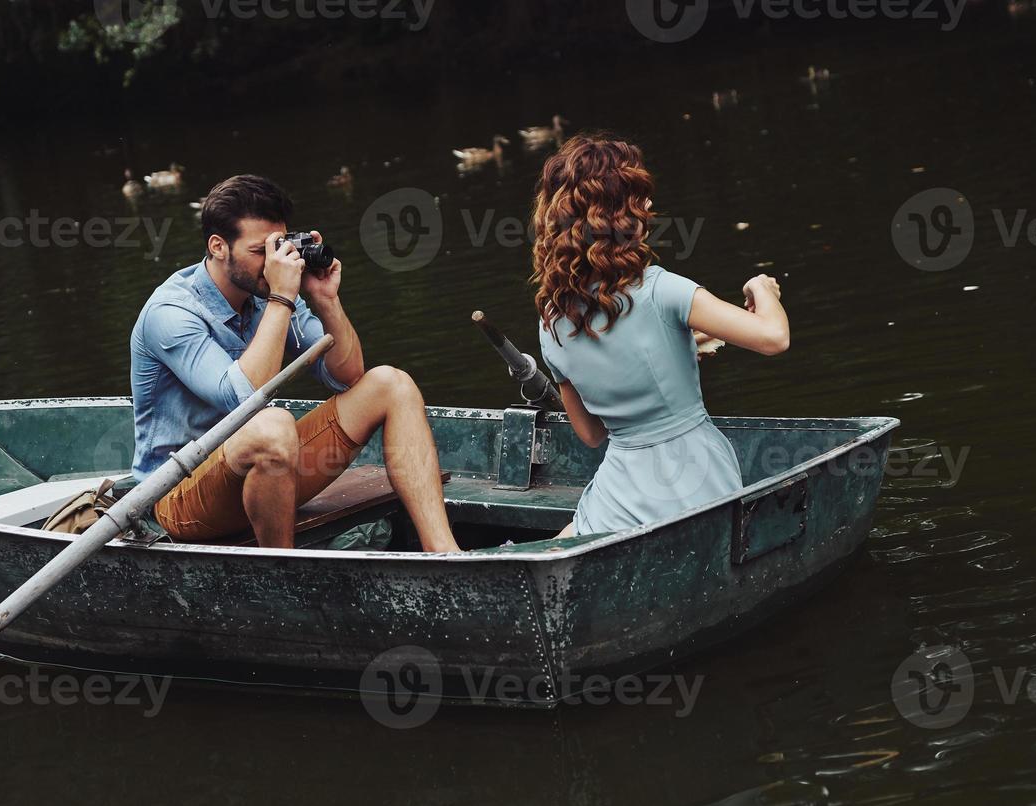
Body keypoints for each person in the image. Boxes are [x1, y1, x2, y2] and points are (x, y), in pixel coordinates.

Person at [130, 174, 460, 551]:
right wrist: (282, 297)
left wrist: (325, 300)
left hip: (268, 473)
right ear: (219, 247)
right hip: (179, 497)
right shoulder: (171, 312)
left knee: (391, 384)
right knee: (272, 424)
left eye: (278, 246)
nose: (273, 262)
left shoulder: (267, 292)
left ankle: (445, 553)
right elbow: (242, 399)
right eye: (260, 251)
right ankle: (282, 572)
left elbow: (347, 376)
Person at [531, 135, 790, 538]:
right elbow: (774, 338)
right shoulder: (663, 289)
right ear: (616, 215)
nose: (649, 208)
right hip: (696, 482)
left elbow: (592, 434)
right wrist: (762, 289)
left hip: (620, 494)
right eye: (639, 199)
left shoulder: (551, 321)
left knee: (569, 538)